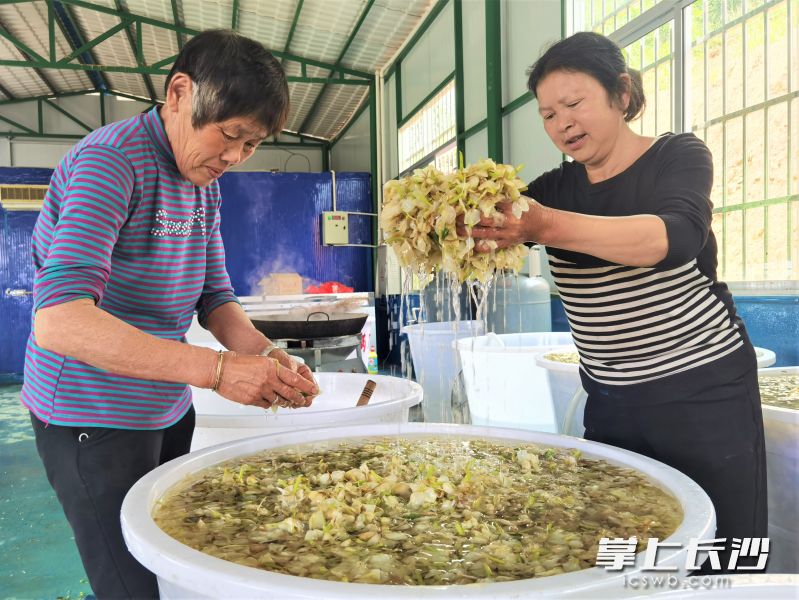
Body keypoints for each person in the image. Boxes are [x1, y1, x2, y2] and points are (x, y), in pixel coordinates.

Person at [22, 29, 320, 599]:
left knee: (172, 568)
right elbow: (59, 318)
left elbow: (215, 297)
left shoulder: (202, 182)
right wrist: (216, 371)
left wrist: (262, 354)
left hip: (165, 409)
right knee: (130, 585)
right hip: (92, 418)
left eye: (252, 145)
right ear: (180, 93)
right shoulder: (112, 163)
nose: (234, 156)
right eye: (230, 134)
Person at [458, 31, 767, 573]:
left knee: (720, 550)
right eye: (548, 115)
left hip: (702, 390)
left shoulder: (678, 156)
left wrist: (546, 226)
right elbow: (489, 228)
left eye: (574, 104)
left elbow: (671, 240)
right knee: (620, 545)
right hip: (611, 399)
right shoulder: (551, 189)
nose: (563, 124)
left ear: (621, 93)